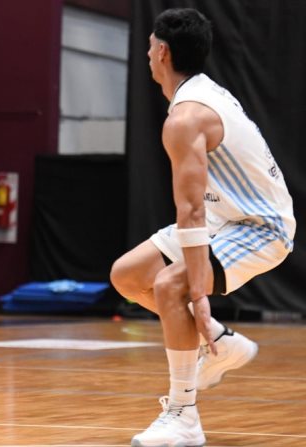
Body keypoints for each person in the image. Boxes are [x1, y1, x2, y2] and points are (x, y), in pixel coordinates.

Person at [109, 9, 295, 447]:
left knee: (172, 285)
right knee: (127, 275)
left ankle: (184, 416)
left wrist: (198, 297)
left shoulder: (186, 117)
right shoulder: (200, 93)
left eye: (150, 47)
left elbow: (190, 211)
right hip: (223, 217)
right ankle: (220, 342)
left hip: (260, 225)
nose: (148, 54)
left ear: (162, 52)